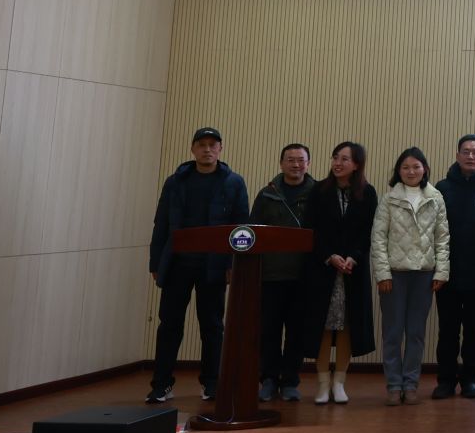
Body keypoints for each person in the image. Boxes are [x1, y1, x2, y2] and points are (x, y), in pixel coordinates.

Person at [147, 126, 249, 404]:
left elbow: (241, 228)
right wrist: (156, 262)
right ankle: (161, 384)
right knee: (169, 325)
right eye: (201, 144)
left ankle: (212, 383)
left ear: (220, 149)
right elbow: (161, 223)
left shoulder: (233, 182)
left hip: (214, 265)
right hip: (177, 264)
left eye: (212, 145)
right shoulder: (175, 181)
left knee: (213, 326)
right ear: (193, 149)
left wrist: (234, 264)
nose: (207, 150)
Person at [372, 146, 449, 404]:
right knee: (393, 333)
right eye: (405, 167)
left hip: (424, 275)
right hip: (394, 275)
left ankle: (411, 383)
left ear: (424, 169)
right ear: (398, 171)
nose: (411, 171)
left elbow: (442, 238)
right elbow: (378, 239)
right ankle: (394, 385)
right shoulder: (389, 199)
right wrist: (382, 274)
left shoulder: (435, 197)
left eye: (416, 167)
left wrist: (441, 272)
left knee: (416, 333)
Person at [303, 141, 378, 405]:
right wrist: (329, 256)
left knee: (347, 325)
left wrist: (353, 257)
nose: (338, 163)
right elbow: (310, 229)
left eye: (345, 159)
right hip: (322, 267)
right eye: (335, 157)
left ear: (356, 164)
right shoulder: (318, 191)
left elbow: (369, 231)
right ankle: (323, 383)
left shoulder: (367, 193)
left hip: (352, 269)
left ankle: (339, 383)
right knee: (323, 325)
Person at [249, 142, 315, 402]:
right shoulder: (267, 194)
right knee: (269, 331)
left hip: (303, 276)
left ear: (308, 164)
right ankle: (268, 379)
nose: (296, 165)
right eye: (290, 160)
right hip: (271, 275)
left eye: (300, 160)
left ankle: (290, 381)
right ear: (281, 163)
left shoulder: (318, 193)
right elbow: (253, 232)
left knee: (296, 332)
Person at [433, 133, 475, 399]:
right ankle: (446, 380)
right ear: (457, 156)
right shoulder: (442, 188)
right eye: (466, 152)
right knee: (447, 330)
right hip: (447, 271)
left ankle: (470, 379)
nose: (470, 156)